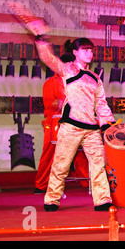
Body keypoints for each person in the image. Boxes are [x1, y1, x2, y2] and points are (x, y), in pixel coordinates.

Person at [30, 20, 116, 211]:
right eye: (85, 49)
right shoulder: (68, 69)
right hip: (71, 126)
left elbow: (101, 103)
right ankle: (51, 199)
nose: (89, 53)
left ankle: (102, 199)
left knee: (98, 164)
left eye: (91, 50)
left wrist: (107, 124)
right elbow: (49, 60)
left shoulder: (95, 78)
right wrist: (41, 41)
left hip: (92, 129)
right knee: (61, 165)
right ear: (75, 52)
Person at [34, 53, 89, 194]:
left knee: (80, 153)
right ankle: (41, 185)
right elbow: (50, 105)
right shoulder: (51, 83)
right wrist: (64, 102)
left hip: (75, 121)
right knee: (50, 154)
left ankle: (86, 182)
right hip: (55, 122)